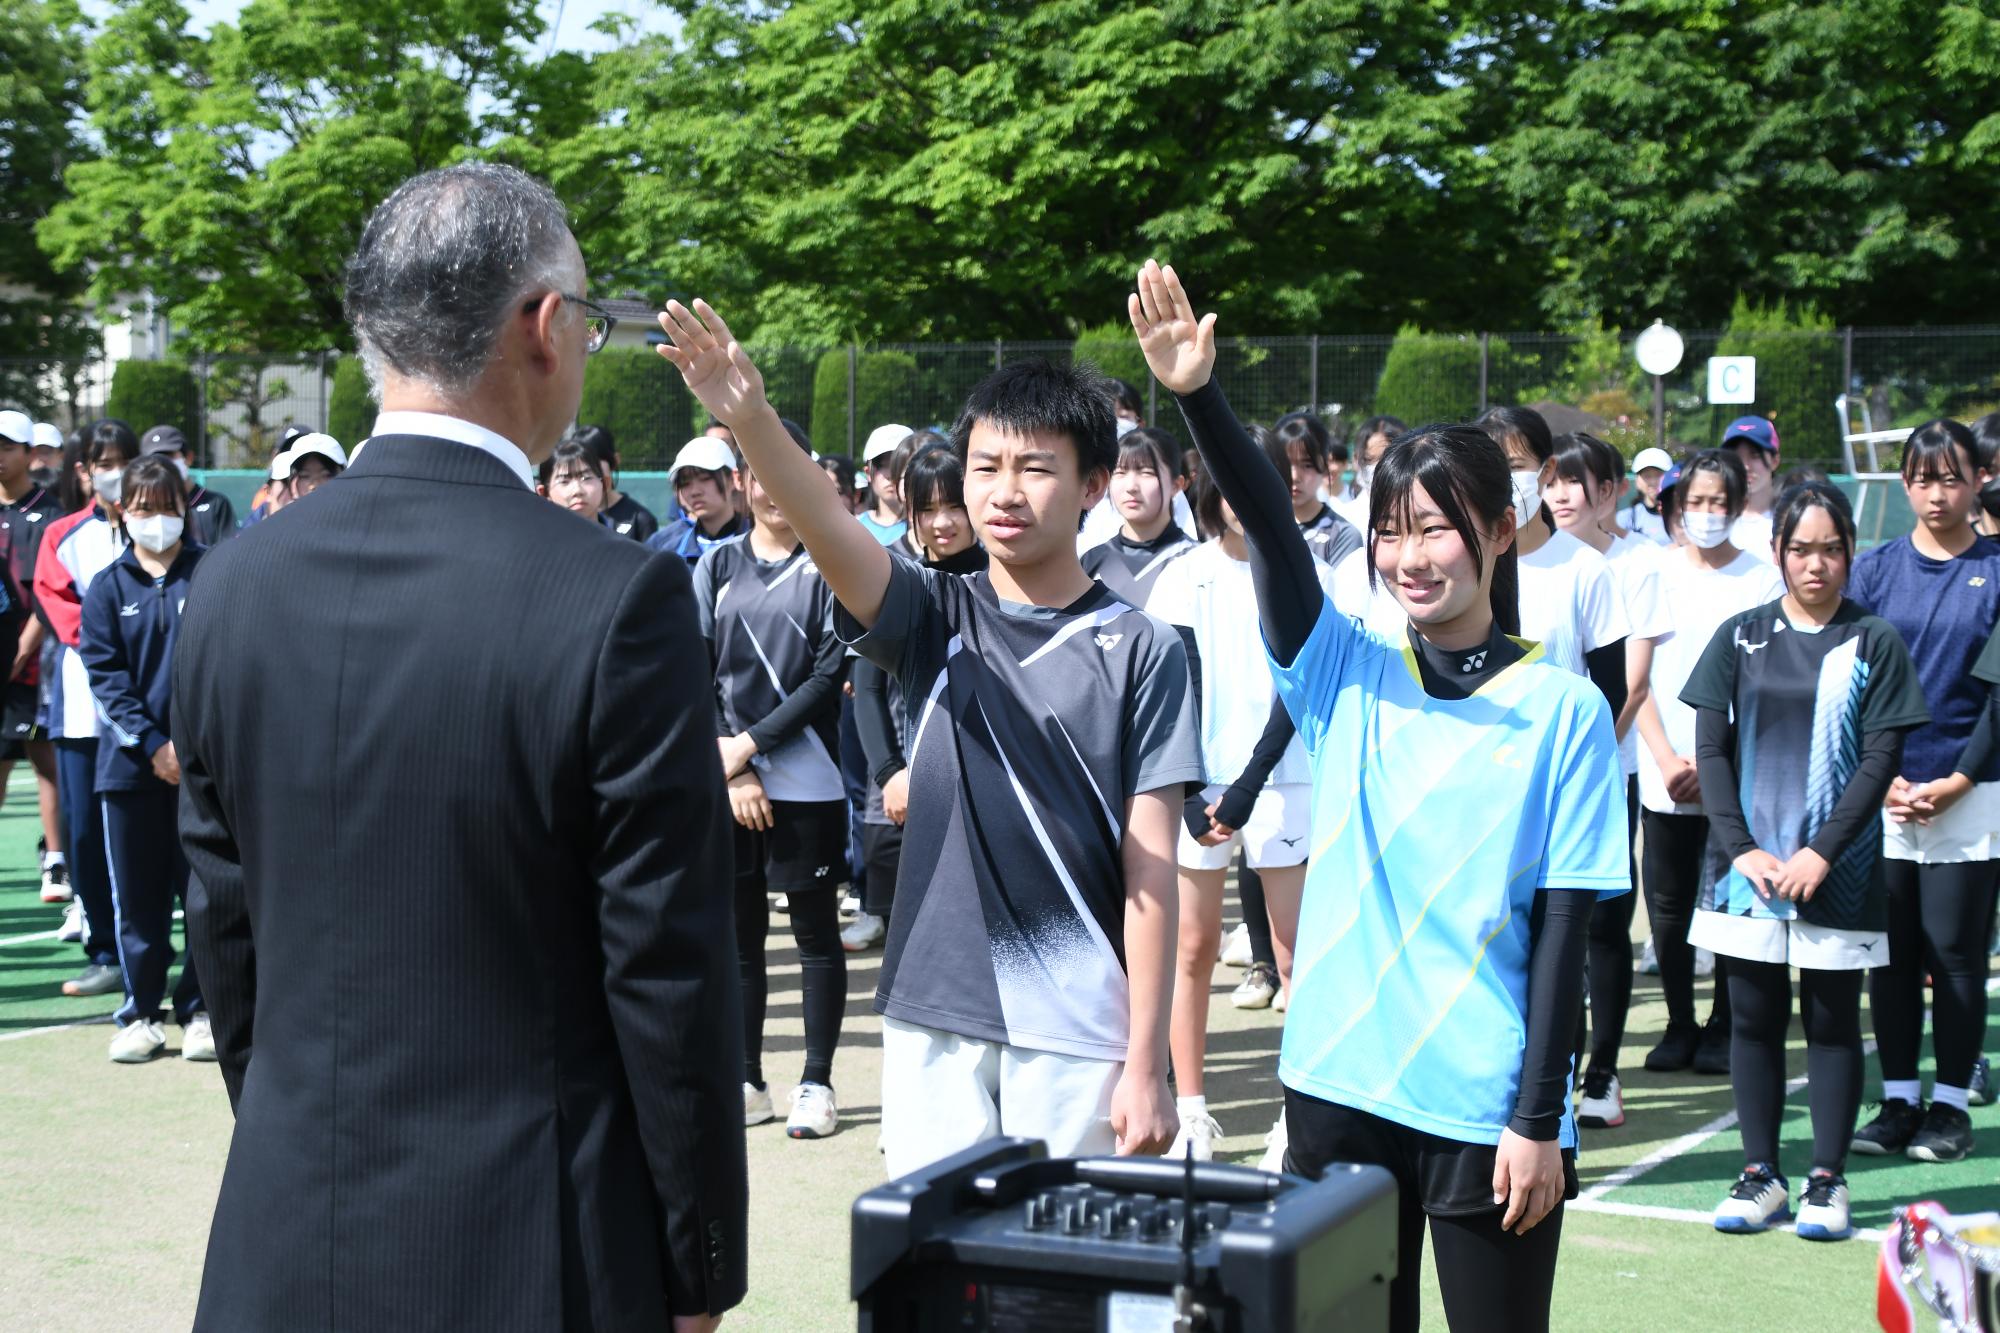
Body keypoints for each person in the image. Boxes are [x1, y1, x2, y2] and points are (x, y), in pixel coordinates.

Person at [176, 163, 746, 1332]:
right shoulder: (615, 599)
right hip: (537, 1244)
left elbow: (226, 933)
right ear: (543, 328)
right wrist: (695, 1263)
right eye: (585, 318)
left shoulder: (232, 584)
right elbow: (665, 967)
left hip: (284, 1235)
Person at [1130, 259, 1624, 1333]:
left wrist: (1537, 1119)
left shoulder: (1560, 708)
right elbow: (1267, 527)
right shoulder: (1340, 667)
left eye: (1435, 527)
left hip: (1483, 1106)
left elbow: (1564, 933)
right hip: (1334, 1087)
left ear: (1498, 532)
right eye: (1389, 531)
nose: (1408, 556)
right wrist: (1195, 396)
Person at [656, 299, 1199, 1180]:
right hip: (930, 1010)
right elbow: (829, 531)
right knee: (933, 1277)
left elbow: (1151, 869)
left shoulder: (1145, 648)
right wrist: (747, 414)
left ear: (1094, 483)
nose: (1002, 491)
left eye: (1035, 467)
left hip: (1077, 1026)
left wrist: (1148, 1062)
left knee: (1062, 1287)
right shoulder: (929, 612)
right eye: (986, 465)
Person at [1685, 481, 1928, 1241]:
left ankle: (1827, 1179)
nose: (1816, 564)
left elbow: (1882, 755)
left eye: (1830, 548)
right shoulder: (1739, 634)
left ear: (1850, 553)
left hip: (1841, 870)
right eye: (1801, 549)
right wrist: (1743, 847)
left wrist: (1823, 852)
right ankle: (1761, 1173)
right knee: (1753, 1019)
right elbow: (1711, 749)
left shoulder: (1875, 640)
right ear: (1778, 552)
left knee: (1830, 1022)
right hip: (1744, 870)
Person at [1144, 456, 1338, 1162]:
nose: (1235, 497)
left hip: (1284, 781)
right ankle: (1190, 1111)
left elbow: (1303, 685)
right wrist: (1194, 790)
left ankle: (1299, 1116)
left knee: (1294, 957)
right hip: (1198, 786)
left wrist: (1250, 783)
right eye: (1225, 482)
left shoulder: (1308, 568)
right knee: (1190, 949)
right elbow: (1174, 685)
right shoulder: (1181, 574)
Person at [691, 428, 851, 1142]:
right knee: (738, 938)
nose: (772, 488)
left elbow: (826, 679)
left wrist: (748, 746)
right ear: (741, 483)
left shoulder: (832, 565)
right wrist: (736, 769)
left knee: (816, 935)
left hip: (809, 781)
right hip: (729, 784)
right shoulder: (716, 565)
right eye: (757, 474)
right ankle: (747, 1077)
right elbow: (694, 671)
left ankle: (816, 1080)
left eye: (786, 473)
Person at [1846, 420, 2000, 1161]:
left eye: (1951, 477)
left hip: (1973, 791)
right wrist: (1887, 777)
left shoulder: (1999, 570)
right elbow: (1854, 681)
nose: (1937, 494)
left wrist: (1959, 778)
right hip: (1887, 791)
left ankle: (1950, 1108)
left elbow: (1999, 696)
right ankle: (1900, 1099)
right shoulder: (1873, 571)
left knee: (1957, 954)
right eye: (1922, 478)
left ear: (1978, 481)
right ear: (1903, 484)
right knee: (1894, 954)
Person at [1632, 452, 1784, 1077]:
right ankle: (1678, 1022)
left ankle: (1725, 1022)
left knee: (1728, 902)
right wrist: (1668, 756)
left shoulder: (1760, 579)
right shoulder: (1652, 573)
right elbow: (1634, 681)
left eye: (1719, 502)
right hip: (1664, 766)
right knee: (1666, 902)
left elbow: (1769, 679)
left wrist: (1715, 758)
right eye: (1694, 502)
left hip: (1735, 768)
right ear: (1672, 506)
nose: (1706, 514)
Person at [1543, 432, 1673, 1127]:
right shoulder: (1523, 557)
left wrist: (1586, 762)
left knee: (1601, 926)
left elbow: (1632, 682)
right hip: (1531, 783)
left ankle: (1602, 1072)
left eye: (1576, 481)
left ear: (1610, 489)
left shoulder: (1634, 563)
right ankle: (1550, 1070)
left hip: (1603, 775)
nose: (1562, 494)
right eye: (1552, 480)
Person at [79, 455, 211, 1064]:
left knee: (205, 896)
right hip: (129, 773)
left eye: (165, 507)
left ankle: (201, 1008)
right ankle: (140, 1011)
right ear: (121, 511)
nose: (155, 519)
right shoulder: (108, 587)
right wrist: (152, 745)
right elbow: (104, 677)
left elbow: (222, 666)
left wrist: (191, 745)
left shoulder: (211, 573)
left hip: (203, 772)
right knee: (137, 898)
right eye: (142, 508)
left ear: (186, 507)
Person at [842, 446, 989, 953]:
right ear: (911, 515)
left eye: (955, 506)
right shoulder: (895, 581)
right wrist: (889, 772)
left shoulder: (1006, 580)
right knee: (912, 945)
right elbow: (867, 687)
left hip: (989, 792)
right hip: (907, 790)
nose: (943, 522)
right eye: (927, 510)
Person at [37, 419, 141, 999]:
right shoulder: (63, 535)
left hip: (149, 711)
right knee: (83, 835)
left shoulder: (157, 530)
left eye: (122, 460)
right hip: (81, 709)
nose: (113, 473)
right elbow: (61, 608)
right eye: (103, 462)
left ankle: (174, 959)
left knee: (156, 835)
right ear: (84, 472)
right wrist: (112, 638)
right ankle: (105, 950)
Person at [0, 412, 63, 903]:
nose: (1, 456)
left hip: (36, 664)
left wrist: (26, 645)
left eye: (8, 447)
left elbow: (50, 590)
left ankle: (56, 861)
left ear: (29, 453)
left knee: (46, 763)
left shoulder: (50, 513)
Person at [1078, 425, 1196, 605]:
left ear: (1176, 485)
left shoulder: (1197, 562)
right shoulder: (1091, 561)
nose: (1131, 486)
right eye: (1120, 472)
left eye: (1146, 472)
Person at [1273, 413, 1364, 566]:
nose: (1295, 476)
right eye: (1286, 463)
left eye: (1307, 465)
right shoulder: (1256, 527)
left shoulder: (1343, 535)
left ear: (1323, 465)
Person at [651, 435, 746, 565]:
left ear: (732, 480)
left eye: (705, 478)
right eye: (685, 482)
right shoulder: (664, 550)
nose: (695, 491)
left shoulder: (762, 544)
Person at [137, 425, 236, 545]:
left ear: (188, 458)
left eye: (169, 456)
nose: (163, 464)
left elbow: (228, 550)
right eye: (156, 458)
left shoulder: (216, 503)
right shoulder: (141, 510)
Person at [574, 423, 660, 541]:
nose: (587, 472)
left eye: (594, 462)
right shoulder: (569, 515)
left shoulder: (640, 520)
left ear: (615, 461)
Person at [1720, 416, 1780, 559]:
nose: (1745, 466)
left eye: (1755, 455)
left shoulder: (1791, 517)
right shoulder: (1717, 519)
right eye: (1736, 456)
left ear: (1775, 461)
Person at [1331, 412, 1405, 526]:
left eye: (1387, 459)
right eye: (1368, 459)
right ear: (1355, 459)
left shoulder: (1423, 513)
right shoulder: (1343, 521)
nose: (1377, 468)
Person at [537, 437, 619, 529]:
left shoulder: (621, 542)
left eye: (586, 478)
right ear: (544, 493)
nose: (577, 490)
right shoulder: (533, 541)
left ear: (604, 484)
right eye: (564, 481)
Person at [859, 422, 914, 545]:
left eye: (901, 464)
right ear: (868, 473)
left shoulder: (929, 525)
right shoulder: (855, 527)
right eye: (882, 465)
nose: (891, 474)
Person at [1619, 446, 1673, 544]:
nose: (1653, 481)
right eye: (1647, 476)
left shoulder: (1682, 517)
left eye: (1659, 475)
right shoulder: (1625, 519)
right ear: (1637, 480)